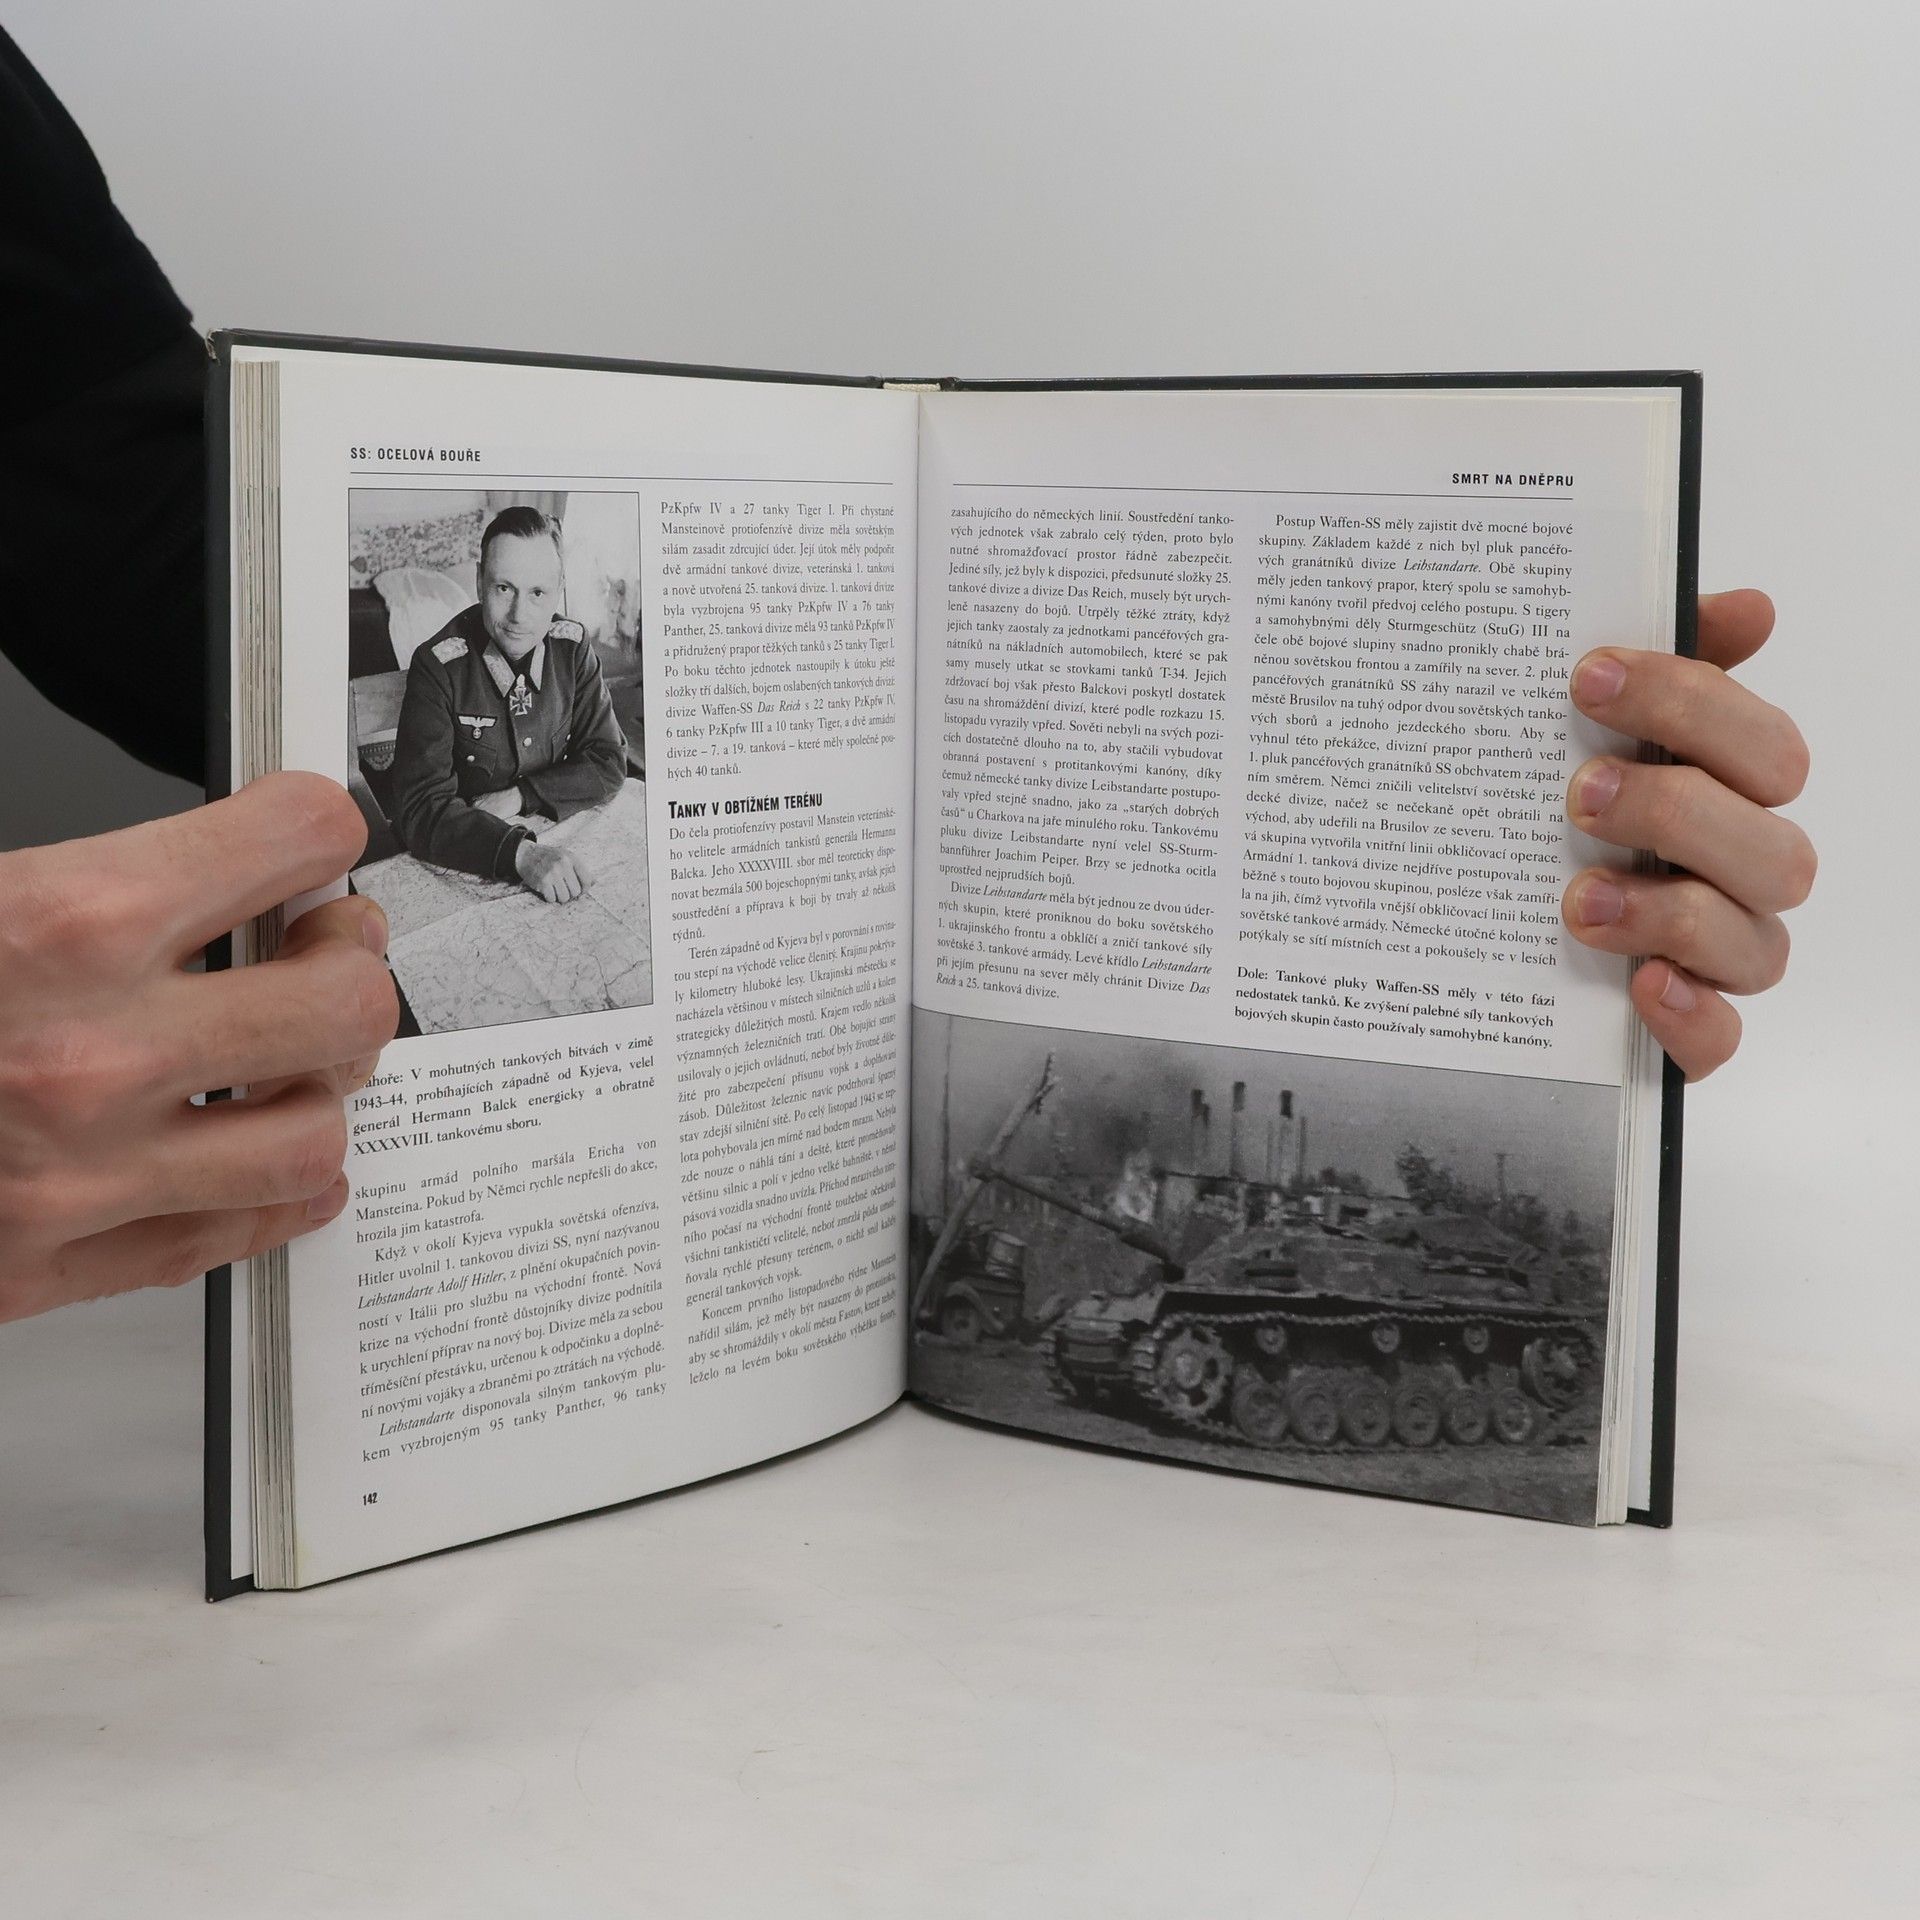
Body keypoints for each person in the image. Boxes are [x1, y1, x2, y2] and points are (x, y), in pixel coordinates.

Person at [0, 29, 1815, 1325]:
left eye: (546, 594)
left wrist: (1478, 805)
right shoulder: (462, 671)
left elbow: (121, 493)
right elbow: (432, 788)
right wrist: (519, 828)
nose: (531, 616)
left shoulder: (551, 666)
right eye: (510, 595)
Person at [386, 505, 627, 904]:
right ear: (480, 581)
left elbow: (608, 760)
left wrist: (521, 796)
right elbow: (420, 808)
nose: (519, 615)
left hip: (555, 839)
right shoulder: (438, 666)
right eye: (503, 588)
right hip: (465, 858)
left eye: (537, 593)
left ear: (559, 589)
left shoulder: (572, 649)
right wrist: (521, 854)